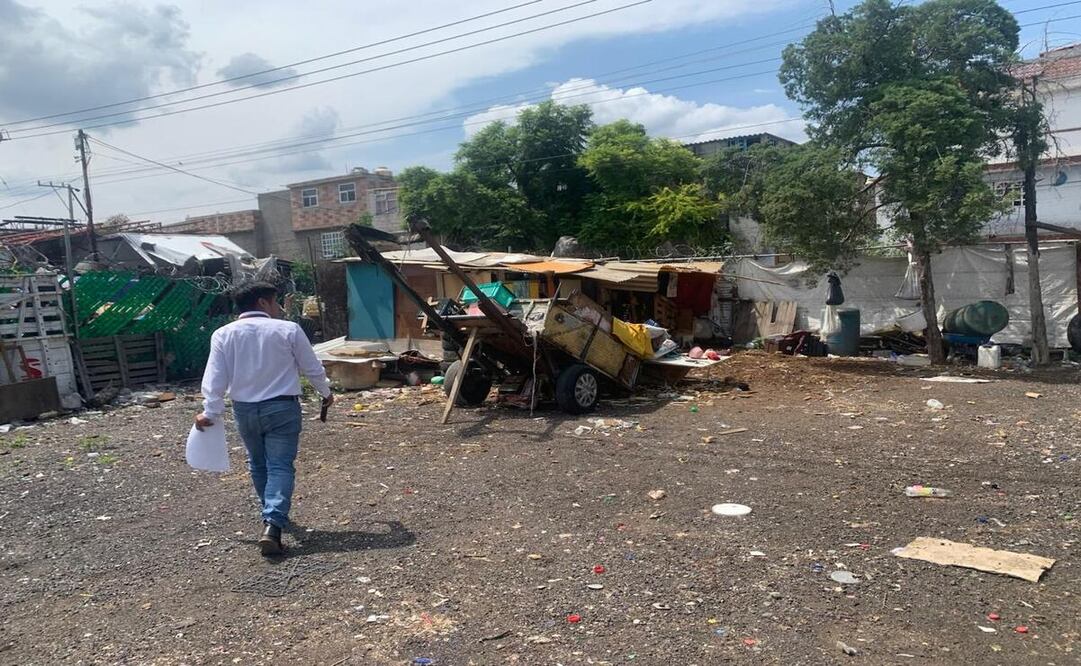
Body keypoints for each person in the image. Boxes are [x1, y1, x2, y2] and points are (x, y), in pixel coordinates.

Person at [195, 281, 333, 556]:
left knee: (258, 463)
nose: (280, 308)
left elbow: (214, 377)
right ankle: (273, 522)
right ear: (262, 303)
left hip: (244, 410)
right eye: (276, 301)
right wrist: (325, 393)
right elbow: (311, 367)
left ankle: (271, 514)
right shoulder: (288, 330)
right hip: (282, 408)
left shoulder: (222, 334)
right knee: (280, 465)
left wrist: (210, 412)